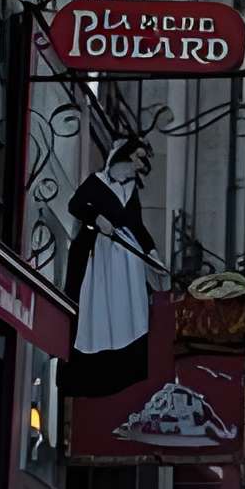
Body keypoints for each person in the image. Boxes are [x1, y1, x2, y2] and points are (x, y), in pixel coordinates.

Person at [61, 136, 156, 396]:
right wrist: (96, 217)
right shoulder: (97, 182)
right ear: (124, 156)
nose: (138, 164)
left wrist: (151, 251)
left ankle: (126, 372)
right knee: (99, 311)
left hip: (128, 260)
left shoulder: (130, 190)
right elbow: (75, 205)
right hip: (99, 258)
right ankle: (94, 370)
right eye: (136, 157)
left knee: (128, 314)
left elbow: (137, 224)